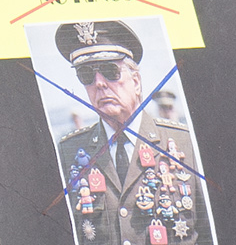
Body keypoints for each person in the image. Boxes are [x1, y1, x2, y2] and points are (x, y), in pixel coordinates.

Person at [51, 21, 210, 245]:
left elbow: (211, 231)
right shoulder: (68, 152)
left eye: (110, 71)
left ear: (136, 81)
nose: (99, 83)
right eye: (86, 75)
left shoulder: (185, 143)